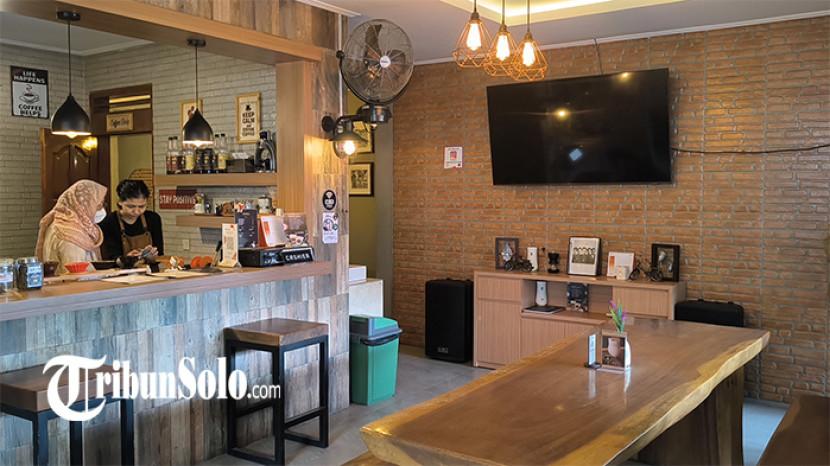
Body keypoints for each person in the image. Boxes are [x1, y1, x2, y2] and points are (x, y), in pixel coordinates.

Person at [36, 180, 108, 274]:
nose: (101, 209)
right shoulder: (70, 232)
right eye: (98, 205)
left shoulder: (66, 223)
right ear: (83, 205)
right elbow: (75, 274)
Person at [99, 179, 164, 262]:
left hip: (148, 267)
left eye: (141, 206)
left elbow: (160, 252)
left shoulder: (153, 219)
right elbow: (110, 258)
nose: (136, 211)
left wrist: (152, 254)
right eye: (131, 207)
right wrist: (126, 259)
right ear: (120, 202)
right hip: (121, 269)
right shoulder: (109, 222)